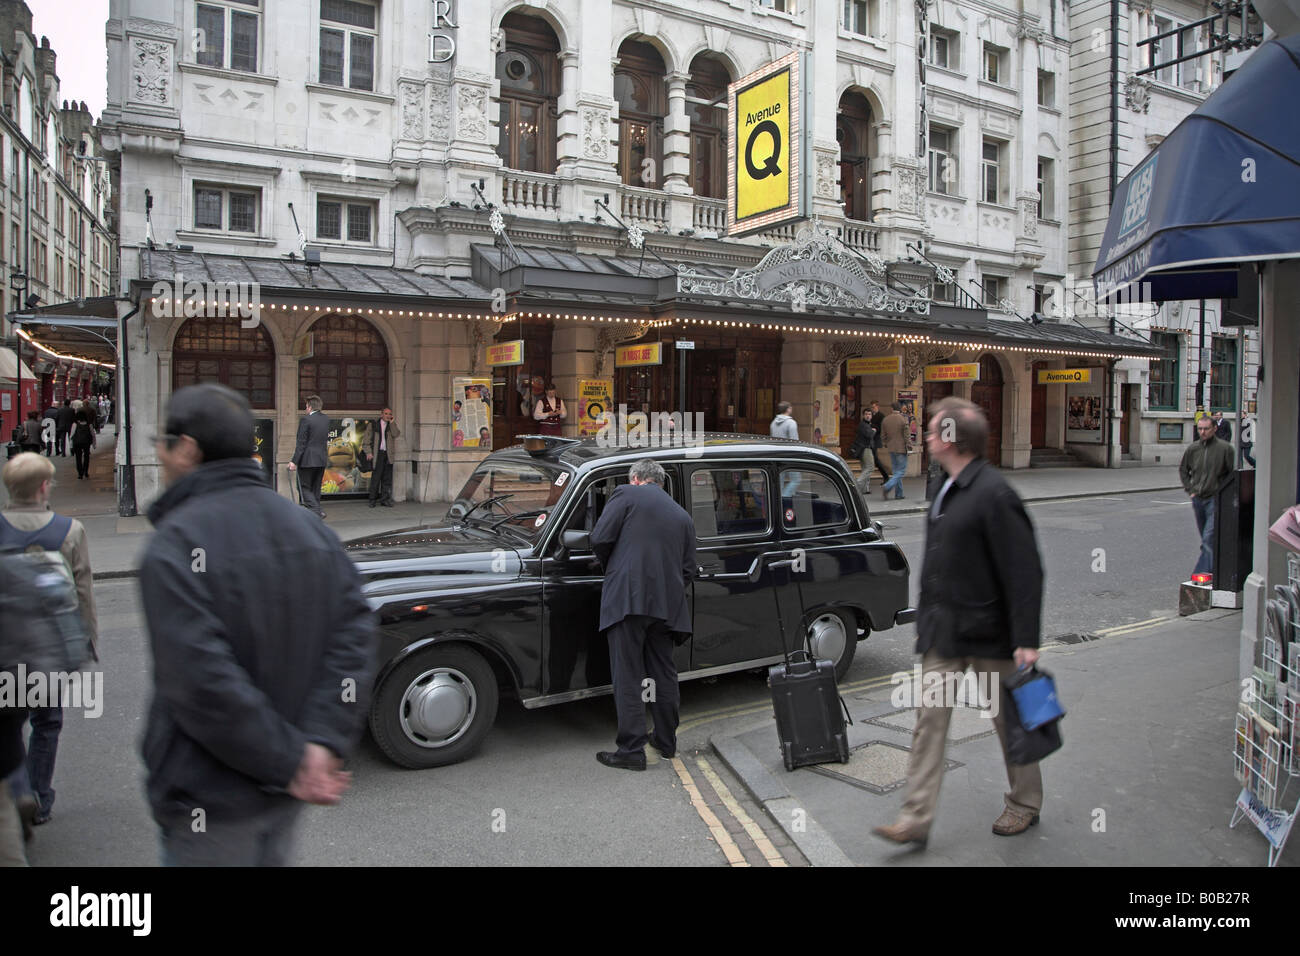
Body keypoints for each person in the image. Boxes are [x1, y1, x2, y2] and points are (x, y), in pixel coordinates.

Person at [138, 384, 377, 866]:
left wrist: (292, 760)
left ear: (186, 448)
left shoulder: (175, 543)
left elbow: (202, 681)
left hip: (209, 798)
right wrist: (320, 743)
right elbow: (353, 636)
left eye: (161, 443)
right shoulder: (311, 530)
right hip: (282, 793)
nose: (159, 456)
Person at [874, 397, 1045, 846]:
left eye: (933, 431)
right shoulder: (944, 487)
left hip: (990, 635)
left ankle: (1024, 802)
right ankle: (915, 818)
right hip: (945, 633)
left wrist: (1026, 639)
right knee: (928, 721)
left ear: (953, 438)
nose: (926, 437)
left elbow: (1026, 570)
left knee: (1010, 722)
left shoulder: (995, 493)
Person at [0, 453, 99, 832]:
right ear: (44, 487)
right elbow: (83, 589)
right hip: (49, 647)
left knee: (9, 724)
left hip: (6, 648)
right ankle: (40, 795)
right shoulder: (69, 530)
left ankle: (17, 789)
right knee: (47, 722)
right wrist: (88, 639)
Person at [589, 459, 697, 771]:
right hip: (668, 607)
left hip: (628, 599)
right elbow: (688, 568)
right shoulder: (682, 516)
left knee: (628, 674)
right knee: (664, 673)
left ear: (636, 478)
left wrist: (616, 568)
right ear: (659, 483)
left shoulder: (625, 494)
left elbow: (599, 538)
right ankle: (665, 742)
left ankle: (631, 750)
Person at [1180, 415, 1235, 581]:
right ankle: (1217, 570)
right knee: (1208, 539)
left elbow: (1231, 475)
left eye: (1206, 429)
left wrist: (1223, 495)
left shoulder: (1225, 449)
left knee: (1208, 538)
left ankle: (1200, 576)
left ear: (1214, 429)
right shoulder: (1193, 449)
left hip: (1214, 499)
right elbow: (1184, 470)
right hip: (1198, 498)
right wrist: (1190, 489)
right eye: (1200, 429)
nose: (1202, 432)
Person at [289, 395, 329, 519]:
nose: (305, 409)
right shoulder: (326, 419)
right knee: (316, 487)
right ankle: (317, 512)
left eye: (306, 406)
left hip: (307, 459)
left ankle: (317, 510)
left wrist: (294, 461)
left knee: (304, 487)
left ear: (310, 407)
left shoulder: (306, 420)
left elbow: (301, 443)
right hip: (321, 458)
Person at [364, 408, 400, 509]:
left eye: (390, 414)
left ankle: (385, 500)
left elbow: (396, 434)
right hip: (377, 454)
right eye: (386, 414)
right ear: (381, 414)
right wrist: (368, 452)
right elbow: (366, 439)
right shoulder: (373, 425)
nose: (388, 416)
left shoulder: (391, 425)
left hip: (388, 454)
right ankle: (372, 500)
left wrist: (392, 423)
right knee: (376, 478)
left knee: (387, 479)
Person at [880, 401, 910, 500]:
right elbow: (906, 435)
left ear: (892, 409)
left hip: (891, 448)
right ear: (900, 409)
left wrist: (885, 443)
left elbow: (883, 435)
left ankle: (899, 493)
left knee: (896, 471)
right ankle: (887, 486)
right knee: (901, 471)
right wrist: (909, 445)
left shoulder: (886, 420)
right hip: (901, 448)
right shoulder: (903, 419)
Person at [847, 408, 875, 495]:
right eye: (866, 414)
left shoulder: (867, 424)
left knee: (865, 468)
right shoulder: (863, 425)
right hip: (865, 449)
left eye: (869, 414)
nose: (868, 416)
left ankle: (865, 489)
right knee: (870, 467)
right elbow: (869, 435)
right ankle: (857, 485)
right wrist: (873, 431)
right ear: (863, 415)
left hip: (864, 448)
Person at [69, 407, 96, 480]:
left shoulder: (75, 424)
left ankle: (80, 473)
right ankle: (86, 471)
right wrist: (94, 444)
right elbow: (93, 434)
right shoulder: (89, 424)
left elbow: (71, 435)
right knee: (86, 457)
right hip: (86, 442)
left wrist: (71, 446)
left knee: (78, 458)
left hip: (77, 443)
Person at [869, 400, 891, 485]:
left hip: (875, 439)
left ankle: (886, 476)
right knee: (875, 459)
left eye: (873, 407)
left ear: (877, 407)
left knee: (876, 459)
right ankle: (885, 476)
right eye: (871, 407)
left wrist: (872, 426)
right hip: (870, 439)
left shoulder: (881, 416)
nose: (872, 409)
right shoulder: (870, 415)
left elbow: (881, 427)